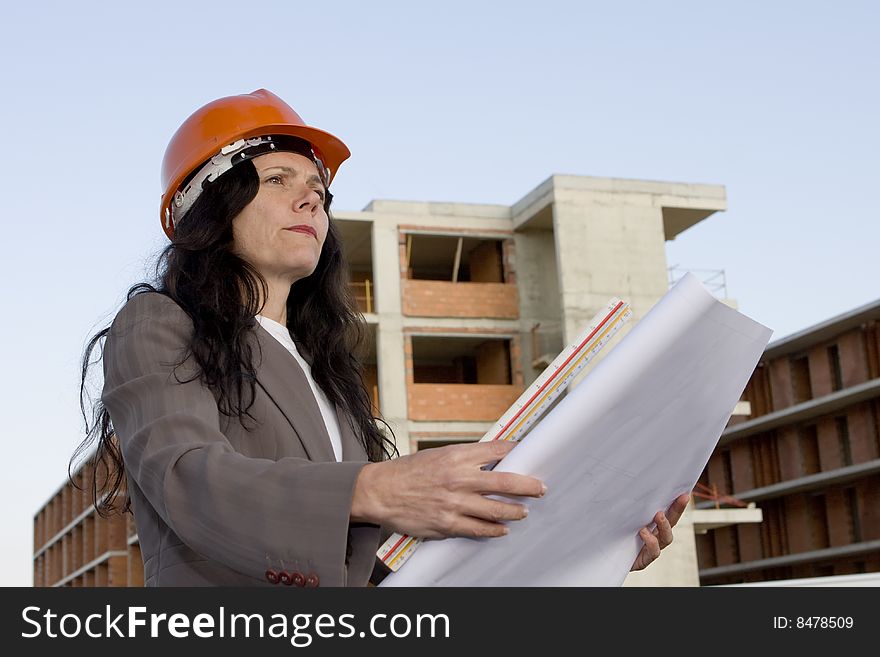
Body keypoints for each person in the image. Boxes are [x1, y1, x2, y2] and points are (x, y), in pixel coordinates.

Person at [74, 89, 688, 587]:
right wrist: (376, 487)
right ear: (207, 205)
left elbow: (382, 564)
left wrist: (585, 546)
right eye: (277, 178)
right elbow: (188, 480)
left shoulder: (324, 370)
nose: (310, 196)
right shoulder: (158, 323)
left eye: (318, 188)